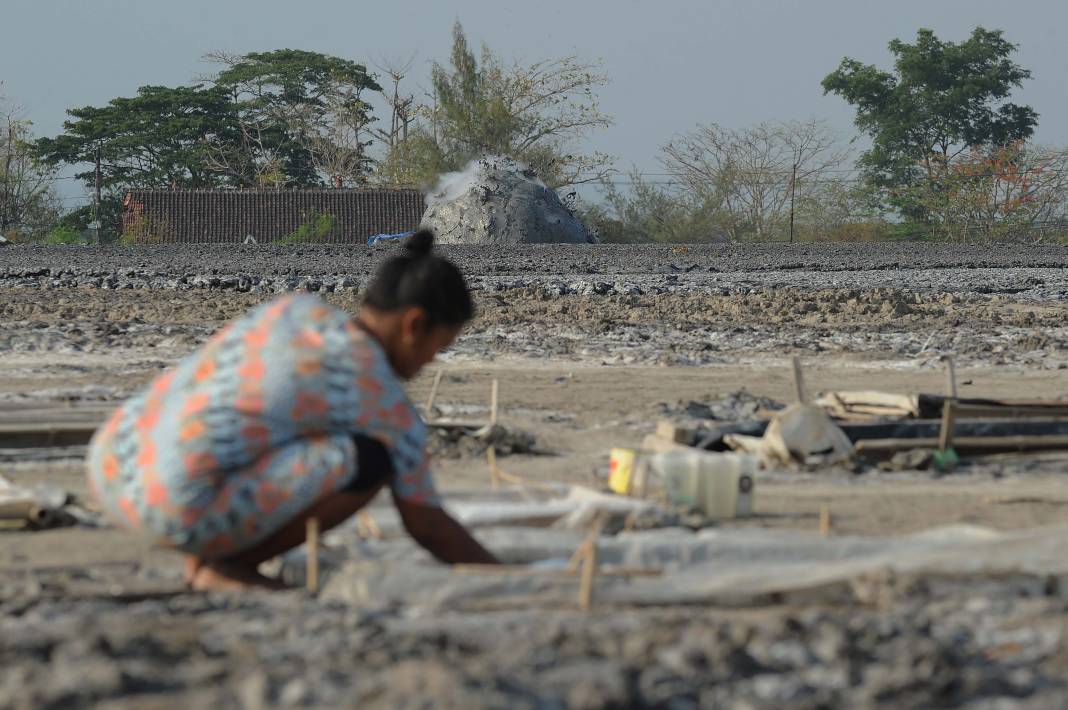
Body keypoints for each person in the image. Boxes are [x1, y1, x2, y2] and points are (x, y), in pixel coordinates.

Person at [86, 230, 498, 590]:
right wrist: (504, 573)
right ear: (414, 325)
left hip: (111, 467)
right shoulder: (386, 405)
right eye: (437, 348)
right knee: (372, 459)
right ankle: (228, 567)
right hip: (172, 510)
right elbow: (428, 525)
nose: (429, 362)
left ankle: (208, 556)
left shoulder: (291, 310)